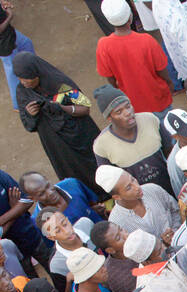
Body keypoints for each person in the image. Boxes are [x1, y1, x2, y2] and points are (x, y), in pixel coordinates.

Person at [13, 54, 99, 191]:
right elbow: (28, 125)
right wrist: (31, 115)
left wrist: (61, 108)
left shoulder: (60, 84)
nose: (23, 82)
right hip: (56, 145)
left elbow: (84, 108)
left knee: (93, 167)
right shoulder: (22, 91)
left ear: (37, 74)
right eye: (19, 78)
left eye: (26, 78)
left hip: (79, 137)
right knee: (70, 172)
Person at [94, 0, 175, 116]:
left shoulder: (103, 45)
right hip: (158, 99)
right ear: (130, 17)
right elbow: (161, 69)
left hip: (132, 105)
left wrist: (119, 88)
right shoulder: (147, 40)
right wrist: (170, 84)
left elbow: (109, 77)